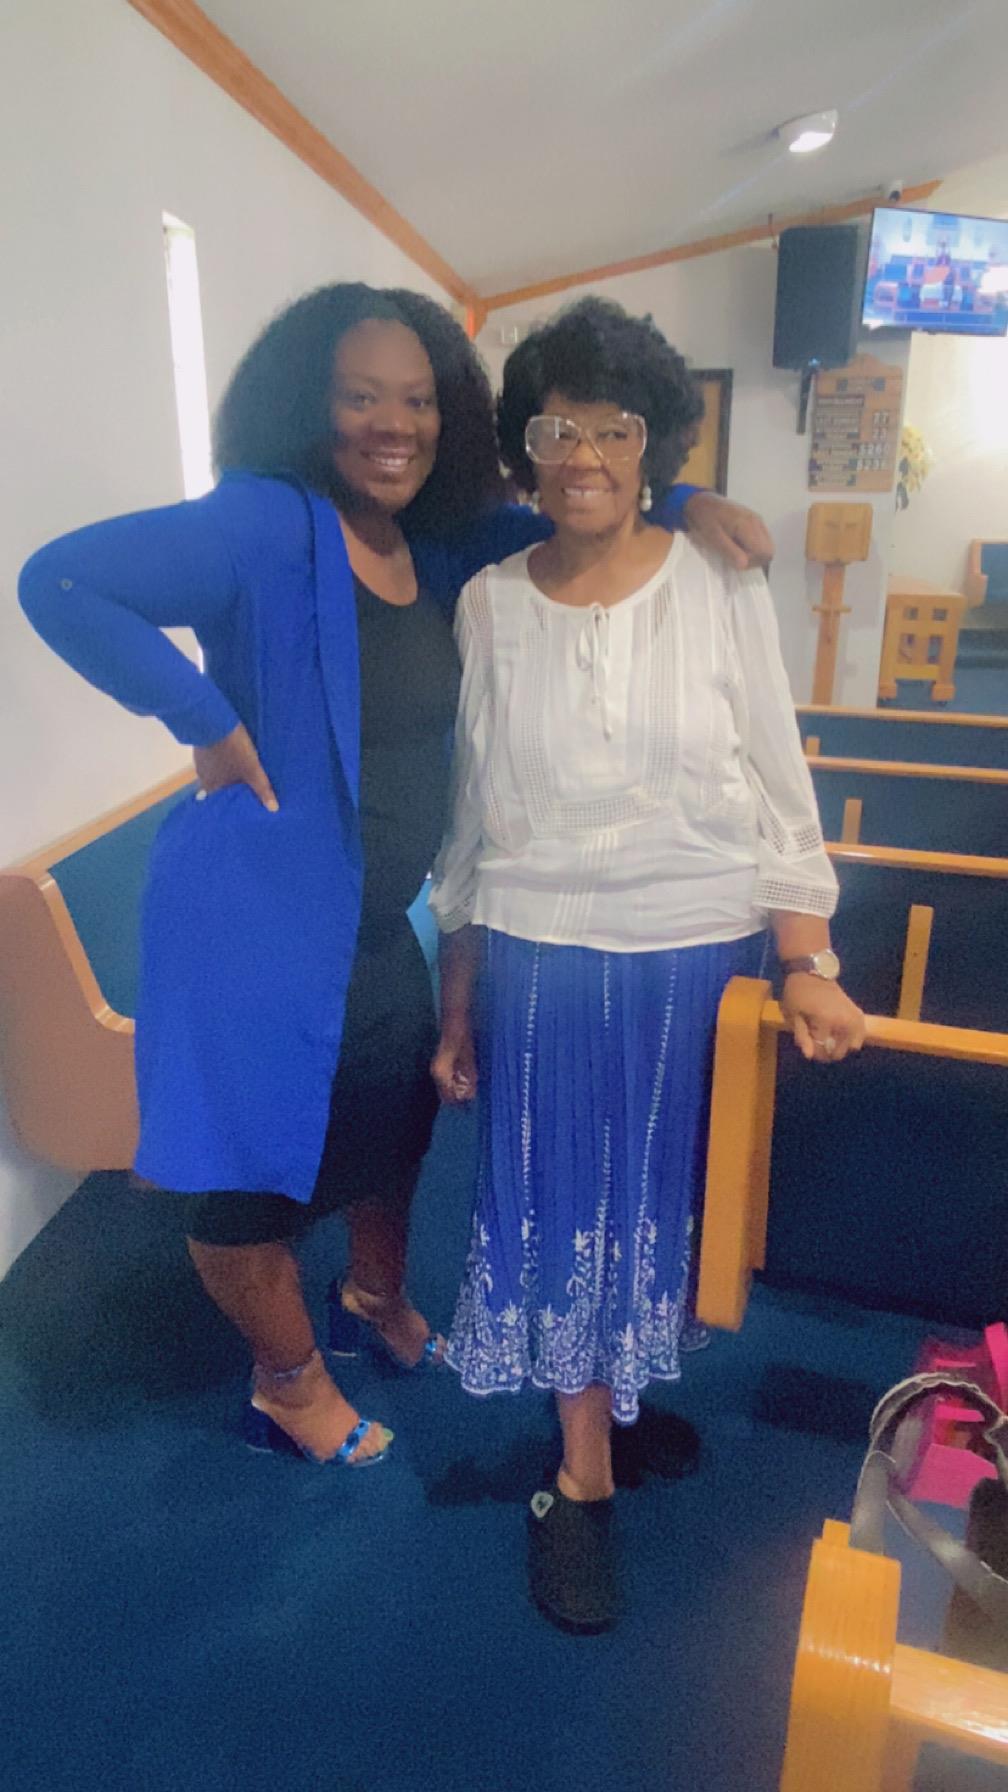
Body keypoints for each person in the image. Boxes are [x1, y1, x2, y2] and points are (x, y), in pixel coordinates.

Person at [19, 281, 774, 1470]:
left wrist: (681, 494)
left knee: (398, 1119)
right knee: (248, 1188)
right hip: (256, 927)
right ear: (306, 405)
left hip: (379, 922)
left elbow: (577, 513)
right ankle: (287, 1382)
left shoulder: (432, 536)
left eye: (419, 398)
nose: (395, 423)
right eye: (361, 395)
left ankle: (370, 1300)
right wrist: (202, 719)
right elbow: (61, 581)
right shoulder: (266, 523)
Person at [430, 297, 865, 1627]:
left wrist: (808, 953)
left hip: (695, 952)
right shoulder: (490, 605)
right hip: (546, 958)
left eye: (614, 427)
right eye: (556, 426)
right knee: (562, 1205)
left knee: (653, 1201)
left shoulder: (721, 580)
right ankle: (580, 1478)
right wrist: (457, 1000)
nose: (583, 454)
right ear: (525, 446)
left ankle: (611, 1404)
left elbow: (775, 775)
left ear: (653, 444)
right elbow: (475, 809)